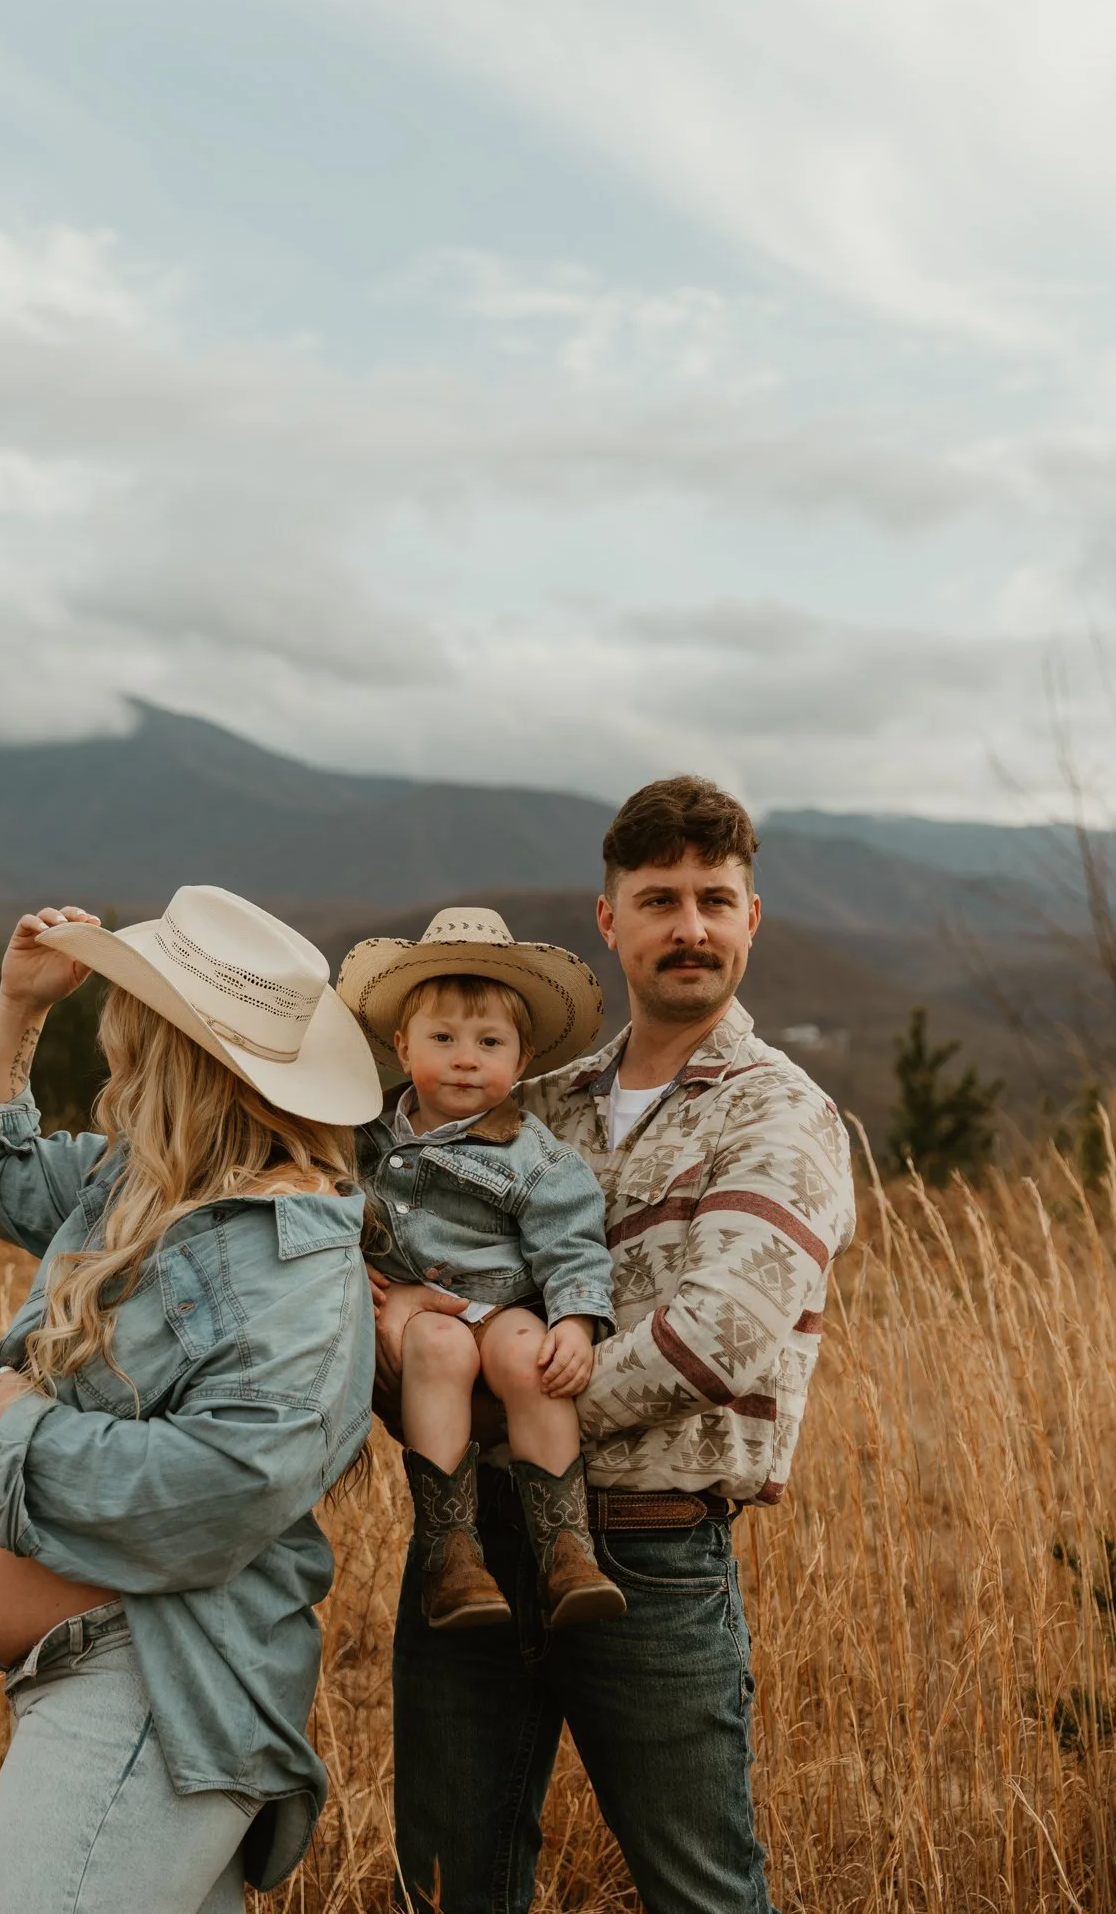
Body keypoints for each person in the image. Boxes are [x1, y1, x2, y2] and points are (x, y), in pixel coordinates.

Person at [372, 779, 858, 1914]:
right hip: (469, 1548)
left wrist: (487, 1389)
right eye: (659, 898)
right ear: (610, 920)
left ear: (751, 918)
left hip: (647, 1553)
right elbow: (395, 1241)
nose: (688, 924)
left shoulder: (779, 1114)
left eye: (712, 898)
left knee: (701, 1893)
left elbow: (716, 1340)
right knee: (448, 1888)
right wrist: (389, 1316)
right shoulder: (524, 1104)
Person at [0, 885, 382, 1914]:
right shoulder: (139, 1182)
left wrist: (13, 1429)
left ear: (166, 1051)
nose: (112, 1042)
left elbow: (228, 1484)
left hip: (158, 1691)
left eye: (128, 1021)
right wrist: (20, 1003)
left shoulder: (292, 1257)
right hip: (103, 1681)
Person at [338, 907, 623, 1632]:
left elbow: (570, 1243)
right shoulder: (360, 1134)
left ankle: (566, 1550)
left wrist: (578, 1321)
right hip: (427, 1320)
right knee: (436, 1349)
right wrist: (349, 1264)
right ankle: (451, 1553)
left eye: (488, 1042)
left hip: (503, 1305)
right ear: (403, 1048)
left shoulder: (534, 1156)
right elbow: (320, 1194)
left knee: (530, 1360)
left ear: (520, 1062)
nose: (466, 1057)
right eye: (443, 1039)